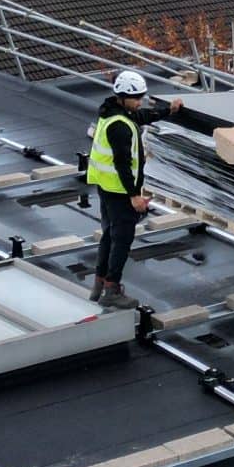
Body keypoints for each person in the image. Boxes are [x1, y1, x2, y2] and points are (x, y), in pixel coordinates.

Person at [86, 69, 170, 301]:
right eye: (136, 98)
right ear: (123, 97)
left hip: (106, 186)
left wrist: (167, 111)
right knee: (122, 239)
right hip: (119, 190)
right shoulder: (120, 126)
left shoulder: (113, 112)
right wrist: (134, 196)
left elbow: (141, 116)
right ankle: (112, 289)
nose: (139, 101)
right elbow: (122, 163)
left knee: (109, 236)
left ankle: (99, 283)